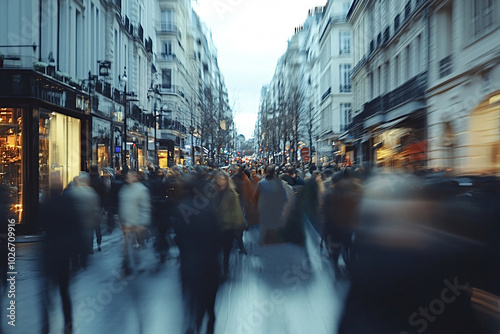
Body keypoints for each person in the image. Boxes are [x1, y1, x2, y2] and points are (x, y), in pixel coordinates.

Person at [174, 175, 222, 334]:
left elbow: (178, 236)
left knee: (192, 294)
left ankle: (194, 321)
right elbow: (216, 235)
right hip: (209, 260)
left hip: (189, 260)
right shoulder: (208, 209)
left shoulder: (182, 208)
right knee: (208, 294)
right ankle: (209, 317)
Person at [40, 173, 83, 334]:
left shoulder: (47, 203)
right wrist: (76, 256)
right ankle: (68, 323)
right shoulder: (69, 202)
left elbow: (41, 224)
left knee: (46, 292)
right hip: (64, 255)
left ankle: (45, 324)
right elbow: (76, 227)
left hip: (50, 254)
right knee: (64, 292)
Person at [118, 169, 152, 276]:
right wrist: (122, 220)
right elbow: (122, 206)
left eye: (130, 176)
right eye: (127, 176)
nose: (128, 178)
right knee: (126, 246)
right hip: (127, 223)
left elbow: (145, 207)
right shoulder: (124, 189)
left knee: (138, 245)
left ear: (135, 176)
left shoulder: (142, 190)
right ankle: (126, 265)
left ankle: (139, 263)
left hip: (137, 223)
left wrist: (143, 223)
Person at [213, 171, 246, 275]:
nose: (221, 181)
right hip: (215, 225)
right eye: (219, 179)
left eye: (223, 179)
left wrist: (238, 224)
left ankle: (225, 267)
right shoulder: (212, 193)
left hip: (227, 226)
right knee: (216, 249)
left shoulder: (232, 194)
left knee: (226, 249)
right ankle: (218, 268)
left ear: (227, 181)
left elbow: (236, 210)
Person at [254, 165, 289, 244]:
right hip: (275, 207)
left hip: (264, 207)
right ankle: (274, 239)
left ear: (265, 172)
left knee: (264, 223)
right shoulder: (278, 183)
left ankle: (263, 240)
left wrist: (256, 206)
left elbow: (256, 196)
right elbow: (283, 196)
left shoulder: (260, 183)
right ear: (274, 173)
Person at [89, 165, 106, 251]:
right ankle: (99, 243)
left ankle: (90, 246)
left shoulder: (88, 181)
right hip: (97, 206)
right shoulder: (100, 181)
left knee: (89, 227)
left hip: (88, 205)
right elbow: (104, 195)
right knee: (97, 226)